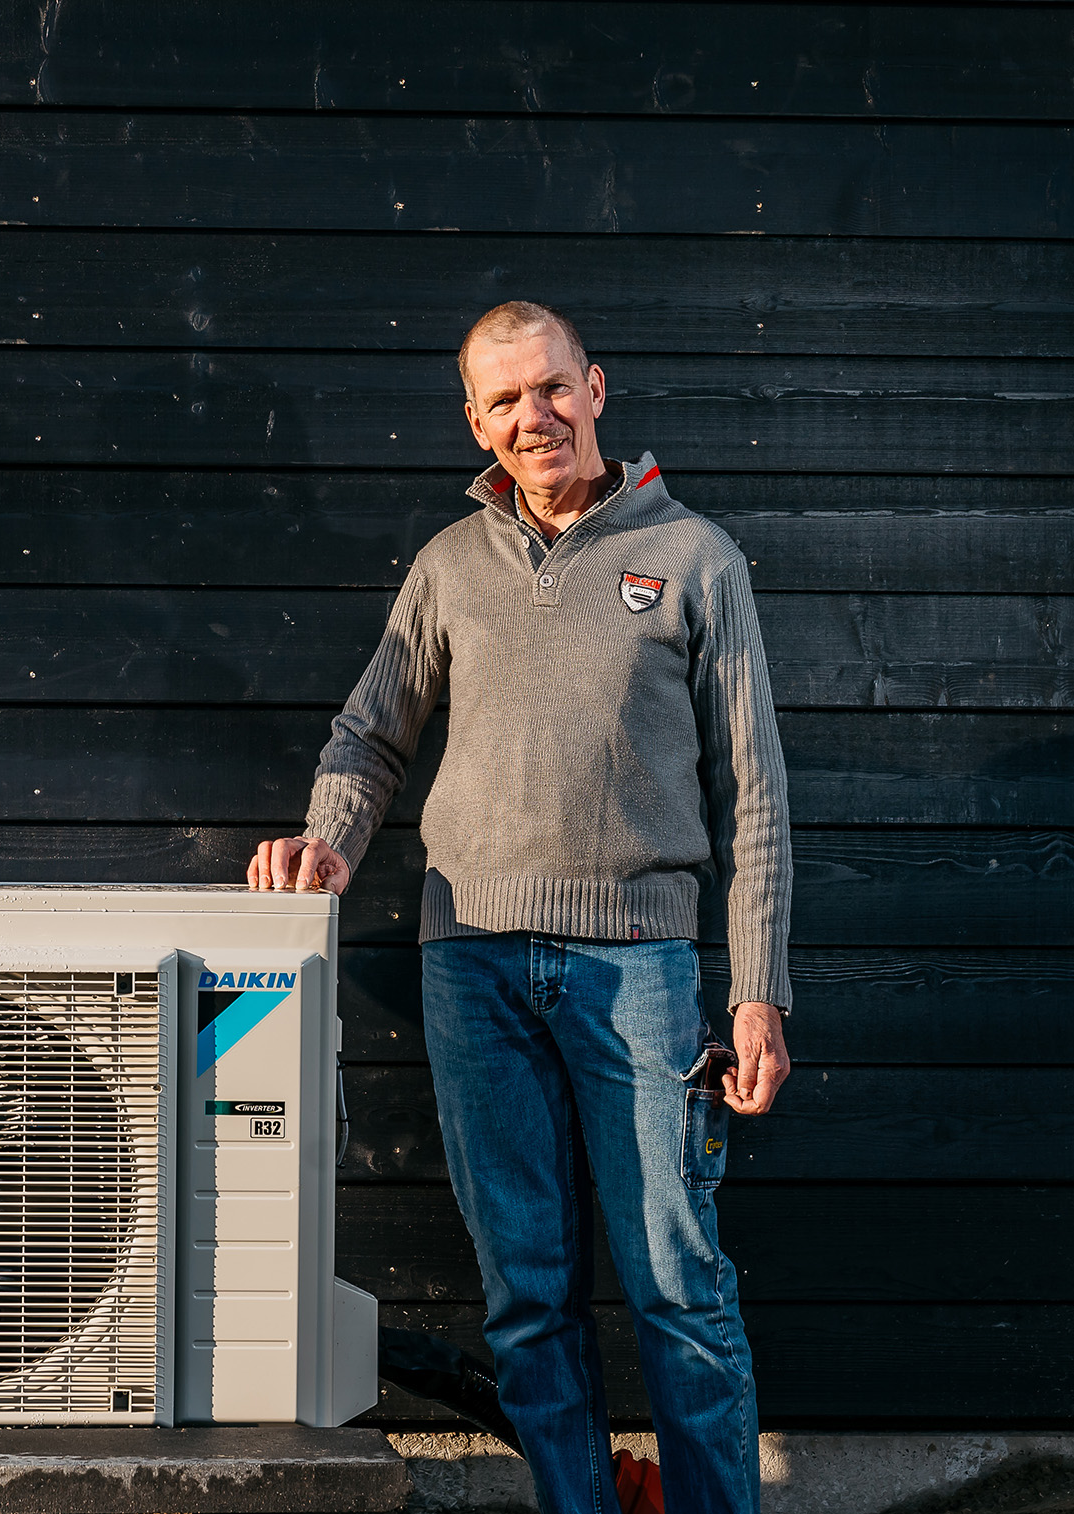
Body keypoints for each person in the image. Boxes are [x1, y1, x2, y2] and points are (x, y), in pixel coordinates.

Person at [246, 303, 792, 1514]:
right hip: (472, 967)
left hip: (638, 967)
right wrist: (328, 843)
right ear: (476, 420)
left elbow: (753, 792)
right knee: (529, 1299)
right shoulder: (449, 566)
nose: (533, 416)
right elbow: (370, 731)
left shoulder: (697, 557)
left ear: (595, 387)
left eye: (551, 387)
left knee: (678, 1285)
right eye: (505, 400)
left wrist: (757, 988)